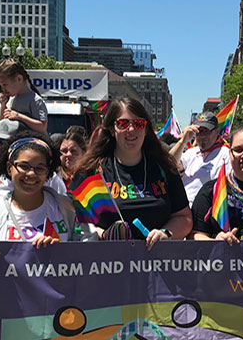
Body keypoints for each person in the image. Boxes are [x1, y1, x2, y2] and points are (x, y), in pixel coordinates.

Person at [0, 133, 96, 340]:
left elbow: (90, 254)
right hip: (6, 334)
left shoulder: (65, 208)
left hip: (60, 330)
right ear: (9, 167)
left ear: (49, 171)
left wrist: (62, 254)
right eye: (23, 166)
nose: (31, 174)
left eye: (40, 168)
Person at [70, 98, 192, 246]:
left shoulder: (164, 168)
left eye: (139, 124)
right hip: (104, 263)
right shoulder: (91, 171)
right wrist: (102, 234)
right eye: (123, 124)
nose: (132, 130)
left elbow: (184, 218)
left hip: (156, 262)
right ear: (111, 129)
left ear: (146, 130)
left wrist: (166, 233)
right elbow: (72, 219)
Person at [172, 112, 231, 207]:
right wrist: (183, 141)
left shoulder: (225, 154)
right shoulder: (192, 152)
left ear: (216, 132)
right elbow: (168, 164)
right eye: (199, 132)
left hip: (203, 210)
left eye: (206, 131)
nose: (202, 136)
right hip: (182, 207)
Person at [0, 58, 48, 133]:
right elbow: (3, 123)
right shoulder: (12, 99)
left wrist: (19, 116)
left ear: (19, 79)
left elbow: (42, 126)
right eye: (1, 86)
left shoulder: (35, 100)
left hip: (32, 141)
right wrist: (3, 105)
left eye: (5, 85)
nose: (3, 89)